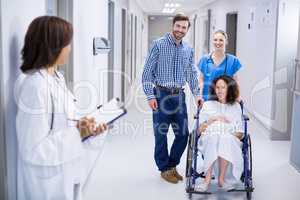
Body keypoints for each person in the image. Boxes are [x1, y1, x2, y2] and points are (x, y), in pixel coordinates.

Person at [16, 16, 107, 200]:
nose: (70, 49)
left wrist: (88, 129)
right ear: (53, 46)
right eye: (67, 44)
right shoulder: (35, 87)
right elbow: (32, 149)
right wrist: (78, 133)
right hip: (46, 184)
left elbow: (64, 123)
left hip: (65, 171)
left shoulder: (56, 78)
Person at [142, 13, 202, 184]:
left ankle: (171, 165)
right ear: (173, 26)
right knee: (161, 134)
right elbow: (147, 72)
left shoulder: (188, 49)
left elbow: (191, 73)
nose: (180, 30)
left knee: (183, 134)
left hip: (179, 97)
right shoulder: (159, 45)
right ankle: (164, 169)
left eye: (184, 27)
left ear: (187, 30)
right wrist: (150, 95)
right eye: (178, 26)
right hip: (161, 95)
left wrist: (197, 94)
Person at [195, 75, 244, 192]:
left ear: (229, 89)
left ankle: (221, 180)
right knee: (213, 137)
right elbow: (198, 130)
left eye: (223, 87)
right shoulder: (207, 105)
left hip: (229, 138)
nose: (220, 90)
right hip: (209, 136)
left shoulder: (235, 106)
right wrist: (213, 119)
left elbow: (240, 133)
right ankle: (207, 180)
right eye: (217, 87)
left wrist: (226, 135)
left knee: (225, 138)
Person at [198, 30, 242, 101]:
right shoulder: (205, 60)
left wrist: (238, 96)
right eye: (215, 40)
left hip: (226, 100)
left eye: (221, 40)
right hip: (208, 100)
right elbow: (201, 80)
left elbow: (235, 81)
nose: (218, 42)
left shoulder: (233, 60)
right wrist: (199, 96)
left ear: (226, 42)